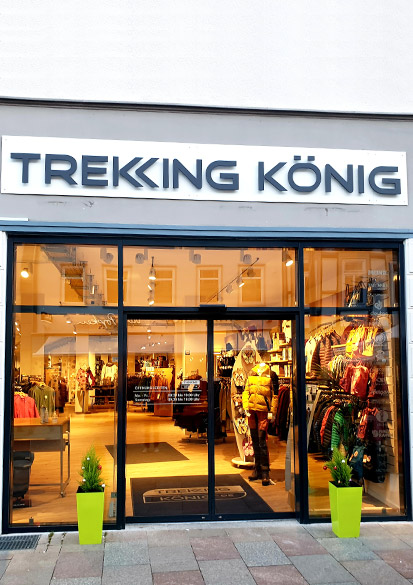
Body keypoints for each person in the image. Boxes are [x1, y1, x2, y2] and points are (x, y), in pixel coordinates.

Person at [242, 363, 278, 486]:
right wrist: (245, 406)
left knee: (262, 441)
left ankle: (265, 472)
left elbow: (275, 395)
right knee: (255, 440)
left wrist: (273, 412)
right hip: (252, 411)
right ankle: (257, 469)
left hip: (263, 412)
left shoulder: (271, 375)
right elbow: (246, 391)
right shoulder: (252, 373)